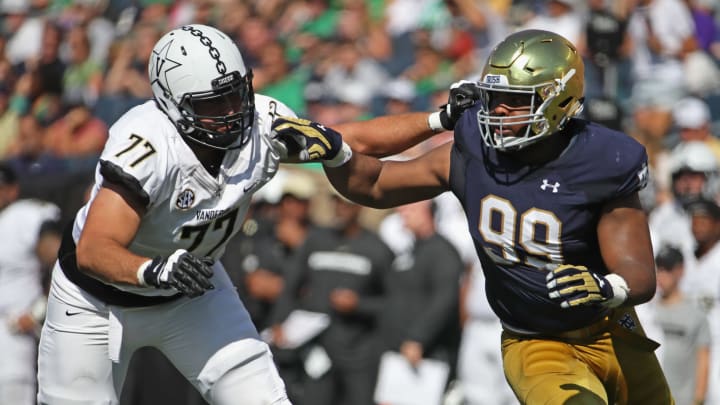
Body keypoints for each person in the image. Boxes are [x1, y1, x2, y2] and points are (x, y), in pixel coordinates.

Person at [35, 23, 475, 405]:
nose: (230, 113)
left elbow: (350, 139)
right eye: (212, 104)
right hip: (96, 299)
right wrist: (156, 270)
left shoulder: (262, 124)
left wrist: (438, 119)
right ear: (172, 103)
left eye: (234, 94)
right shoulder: (147, 145)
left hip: (193, 291)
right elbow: (95, 249)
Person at [272, 29, 674, 404]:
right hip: (537, 342)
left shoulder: (603, 160)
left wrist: (608, 288)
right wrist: (337, 153)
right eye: (494, 96)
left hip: (612, 329)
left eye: (517, 99)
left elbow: (639, 273)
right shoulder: (474, 153)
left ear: (559, 100)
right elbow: (375, 184)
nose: (499, 109)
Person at [269, 195, 394, 405]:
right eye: (336, 202)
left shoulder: (377, 248)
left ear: (360, 207)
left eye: (347, 203)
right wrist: (279, 322)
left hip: (360, 353)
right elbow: (291, 287)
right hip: (318, 349)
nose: (341, 208)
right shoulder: (316, 241)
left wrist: (359, 305)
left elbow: (392, 302)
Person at [0, 163, 61, 405]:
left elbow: (61, 261)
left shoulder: (23, 216)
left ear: (12, 190)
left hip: (12, 331)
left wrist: (39, 310)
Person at [654, 245, 710, 405]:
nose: (661, 275)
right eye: (659, 269)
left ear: (680, 271)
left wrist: (699, 399)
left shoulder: (696, 314)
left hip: (683, 400)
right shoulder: (648, 311)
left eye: (667, 269)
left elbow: (703, 359)